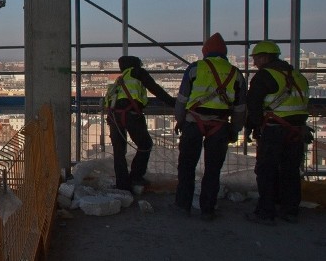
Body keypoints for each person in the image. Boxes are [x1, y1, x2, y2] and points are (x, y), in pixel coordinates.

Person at [173, 33, 246, 220]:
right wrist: (235, 129)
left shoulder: (195, 69)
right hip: (220, 125)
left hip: (193, 122)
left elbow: (182, 100)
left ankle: (182, 206)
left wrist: (180, 121)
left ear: (205, 52)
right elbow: (239, 107)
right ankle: (207, 209)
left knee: (187, 166)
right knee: (213, 169)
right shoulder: (235, 73)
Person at [244, 40, 310, 225]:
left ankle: (265, 212)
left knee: (266, 170)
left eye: (256, 58)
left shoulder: (264, 76)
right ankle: (290, 210)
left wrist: (253, 127)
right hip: (296, 130)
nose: (255, 63)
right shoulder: (297, 75)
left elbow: (253, 105)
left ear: (265, 57)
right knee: (290, 171)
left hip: (274, 129)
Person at [103, 55, 176, 192]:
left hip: (114, 118)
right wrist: (175, 104)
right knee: (145, 144)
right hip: (131, 115)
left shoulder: (119, 80)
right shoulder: (138, 73)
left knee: (119, 152)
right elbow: (156, 90)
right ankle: (136, 176)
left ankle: (123, 185)